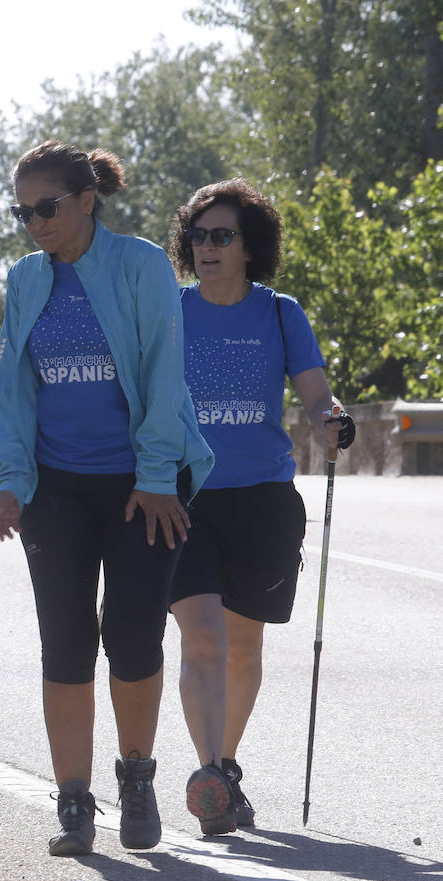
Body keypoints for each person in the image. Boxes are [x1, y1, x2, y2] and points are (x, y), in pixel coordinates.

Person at [0, 141, 214, 857]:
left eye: (46, 207)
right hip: (57, 485)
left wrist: (153, 476)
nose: (34, 223)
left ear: (87, 200)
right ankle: (74, 802)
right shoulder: (26, 279)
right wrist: (9, 483)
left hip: (142, 482)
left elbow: (163, 374)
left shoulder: (141, 264)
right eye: (22, 211)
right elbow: (12, 387)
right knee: (66, 641)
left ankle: (137, 778)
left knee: (136, 635)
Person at [166, 178, 355, 836]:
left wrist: (331, 420)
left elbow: (315, 395)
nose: (207, 247)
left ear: (251, 247)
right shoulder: (171, 311)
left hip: (263, 501)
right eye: (198, 235)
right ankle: (211, 775)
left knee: (243, 649)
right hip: (184, 497)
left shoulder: (280, 314)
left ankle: (225, 766)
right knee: (203, 641)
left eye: (222, 236)